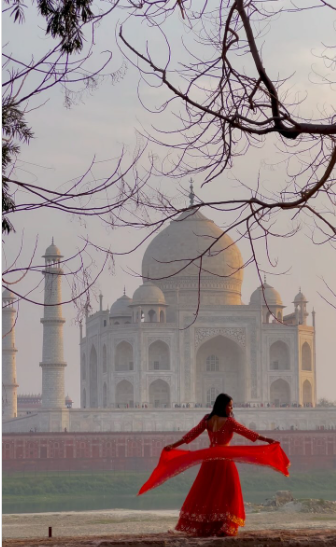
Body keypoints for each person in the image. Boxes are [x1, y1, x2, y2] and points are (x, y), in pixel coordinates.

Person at [163, 393, 276, 537]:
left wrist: (173, 445)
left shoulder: (207, 420)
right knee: (228, 492)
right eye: (229, 405)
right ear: (223, 406)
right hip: (224, 460)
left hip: (210, 460)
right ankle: (224, 525)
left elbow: (190, 436)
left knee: (208, 492)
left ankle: (208, 526)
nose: (231, 408)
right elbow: (248, 433)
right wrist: (266, 439)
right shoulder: (229, 422)